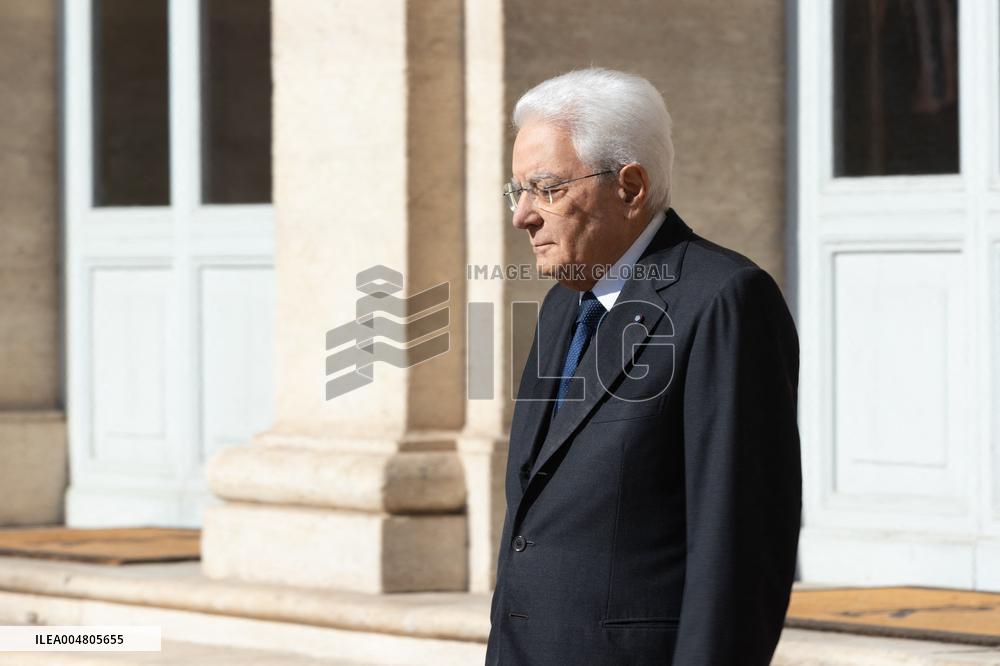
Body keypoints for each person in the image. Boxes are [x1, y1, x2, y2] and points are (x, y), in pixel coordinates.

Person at [486, 68, 801, 665]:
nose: (522, 216)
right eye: (516, 191)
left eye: (545, 188)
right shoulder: (564, 303)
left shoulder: (723, 299)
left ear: (630, 187)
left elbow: (739, 543)